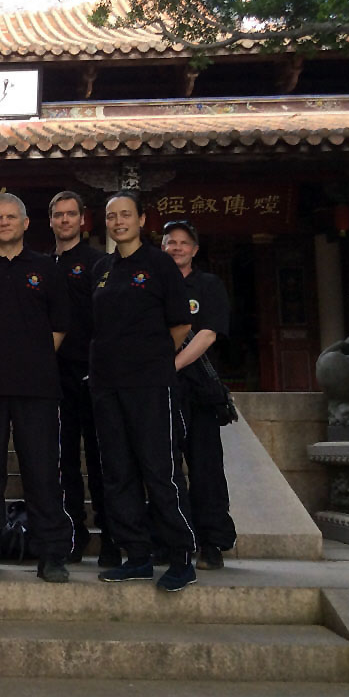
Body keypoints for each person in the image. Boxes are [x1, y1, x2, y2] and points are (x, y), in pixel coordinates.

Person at [0, 192, 75, 583]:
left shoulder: (47, 268)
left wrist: (31, 359)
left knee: (42, 471)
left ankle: (51, 554)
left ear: (26, 223)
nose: (5, 223)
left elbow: (59, 327)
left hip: (37, 387)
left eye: (12, 217)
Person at [91, 190, 197, 592]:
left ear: (141, 220)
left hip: (150, 386)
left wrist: (150, 360)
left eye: (125, 215)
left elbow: (181, 324)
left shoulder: (159, 264)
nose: (118, 222)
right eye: (111, 216)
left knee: (160, 470)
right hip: (107, 385)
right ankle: (136, 555)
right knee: (118, 473)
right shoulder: (103, 268)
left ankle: (181, 555)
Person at [48, 190, 119, 568]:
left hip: (92, 374)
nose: (64, 220)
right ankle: (73, 535)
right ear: (50, 221)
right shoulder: (42, 265)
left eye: (71, 215)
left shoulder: (97, 262)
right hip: (53, 377)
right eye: (58, 215)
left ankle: (111, 538)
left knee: (100, 459)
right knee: (63, 462)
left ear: (82, 220)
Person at [162, 219, 237, 570]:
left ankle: (211, 542)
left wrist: (171, 366)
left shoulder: (207, 285)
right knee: (165, 470)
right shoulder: (154, 285)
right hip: (160, 392)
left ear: (194, 249)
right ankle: (175, 539)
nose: (176, 247)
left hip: (199, 391)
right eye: (169, 242)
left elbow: (208, 334)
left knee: (205, 467)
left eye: (183, 242)